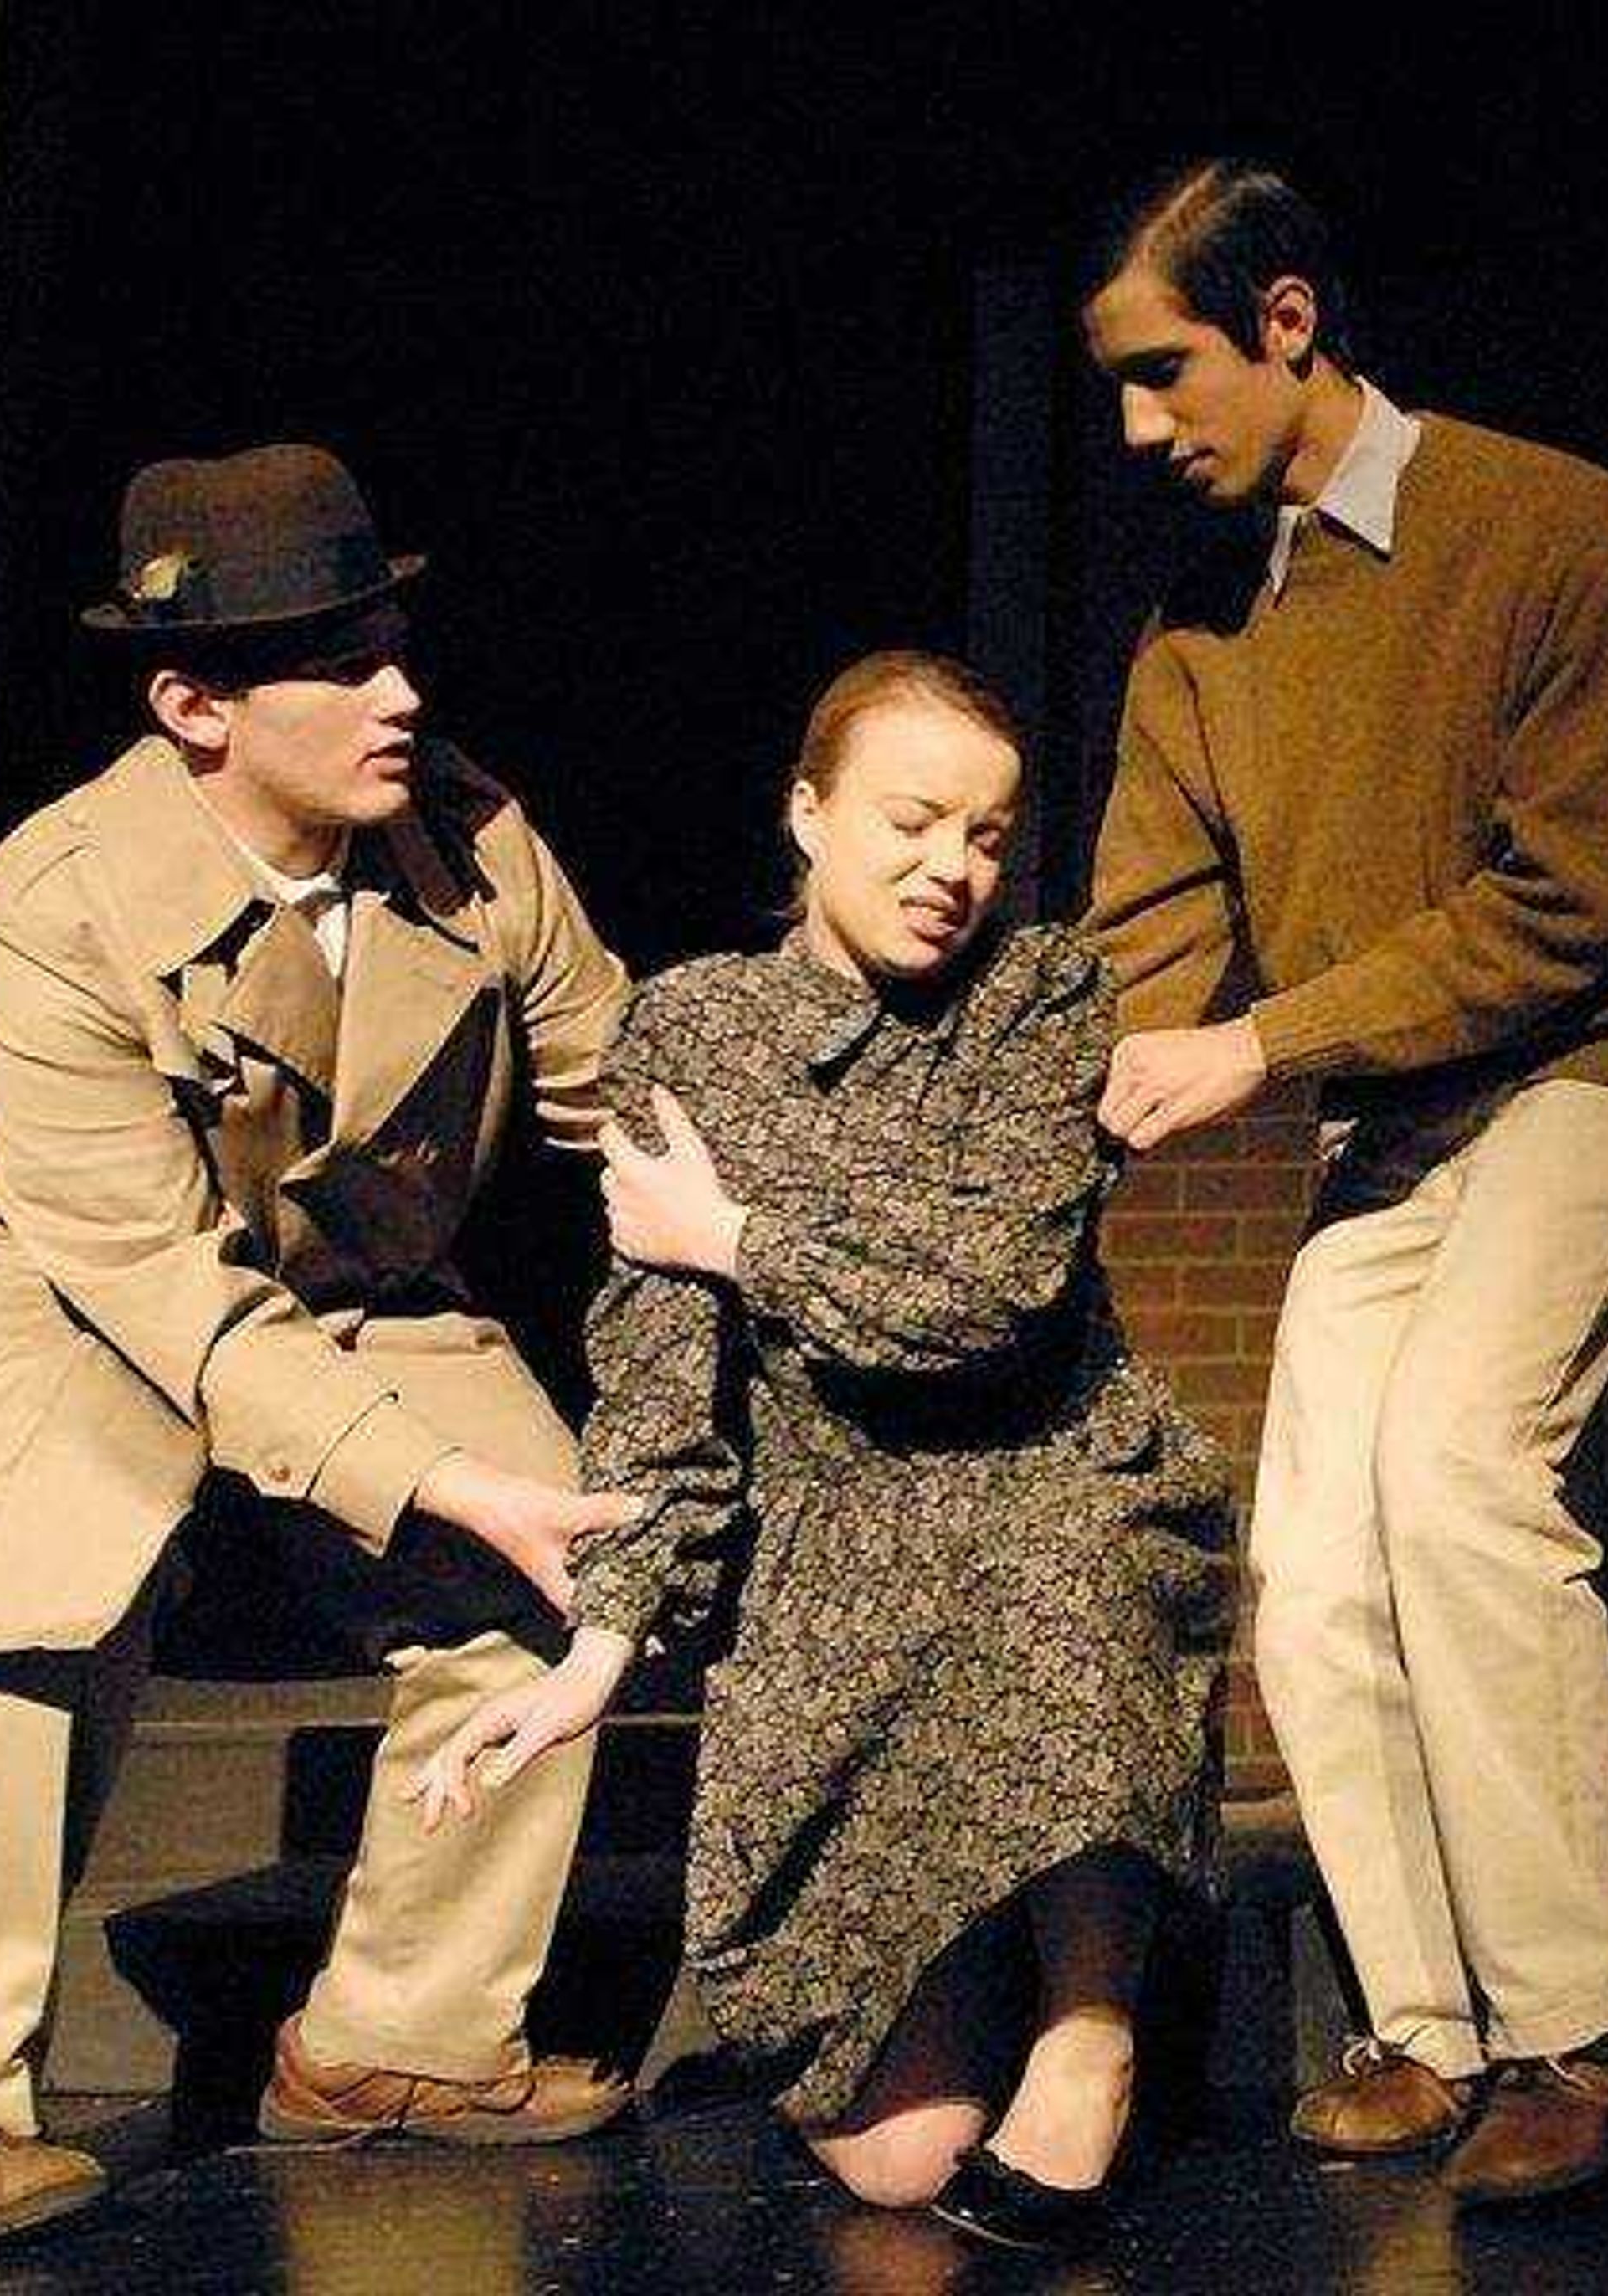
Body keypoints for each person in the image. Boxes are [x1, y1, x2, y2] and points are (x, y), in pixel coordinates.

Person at [0, 444, 641, 2249]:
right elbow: (156, 1282)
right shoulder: (45, 907)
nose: (402, 694)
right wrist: (414, 1468)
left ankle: (397, 2042)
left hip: (346, 1274)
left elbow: (629, 1099)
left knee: (552, 1552)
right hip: (61, 1275)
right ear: (195, 702)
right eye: (341, 664)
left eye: (396, 643)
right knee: (26, 1578)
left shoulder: (475, 840)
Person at [1078, 159, 1608, 2203]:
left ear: (1285, 321)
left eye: (1161, 368)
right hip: (1396, 1119)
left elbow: (1567, 907)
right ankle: (1425, 2013)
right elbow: (1141, 943)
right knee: (1313, 1547)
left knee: (1456, 1466)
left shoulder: (1545, 519)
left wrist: (1257, 1046)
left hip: (1593, 1066)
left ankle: (1585, 2014)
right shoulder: (1193, 630)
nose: (1133, 425)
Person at [414, 650, 1234, 2258]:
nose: (955, 871)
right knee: (898, 2164)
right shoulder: (692, 1028)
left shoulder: (1043, 994)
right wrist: (598, 1642)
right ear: (808, 811)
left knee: (1065, 1561)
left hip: (1049, 1467)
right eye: (915, 821)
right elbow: (658, 1370)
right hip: (833, 1543)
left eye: (990, 836)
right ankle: (978, 1903)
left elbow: (990, 1295)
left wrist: (735, 1233)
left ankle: (1091, 2024)